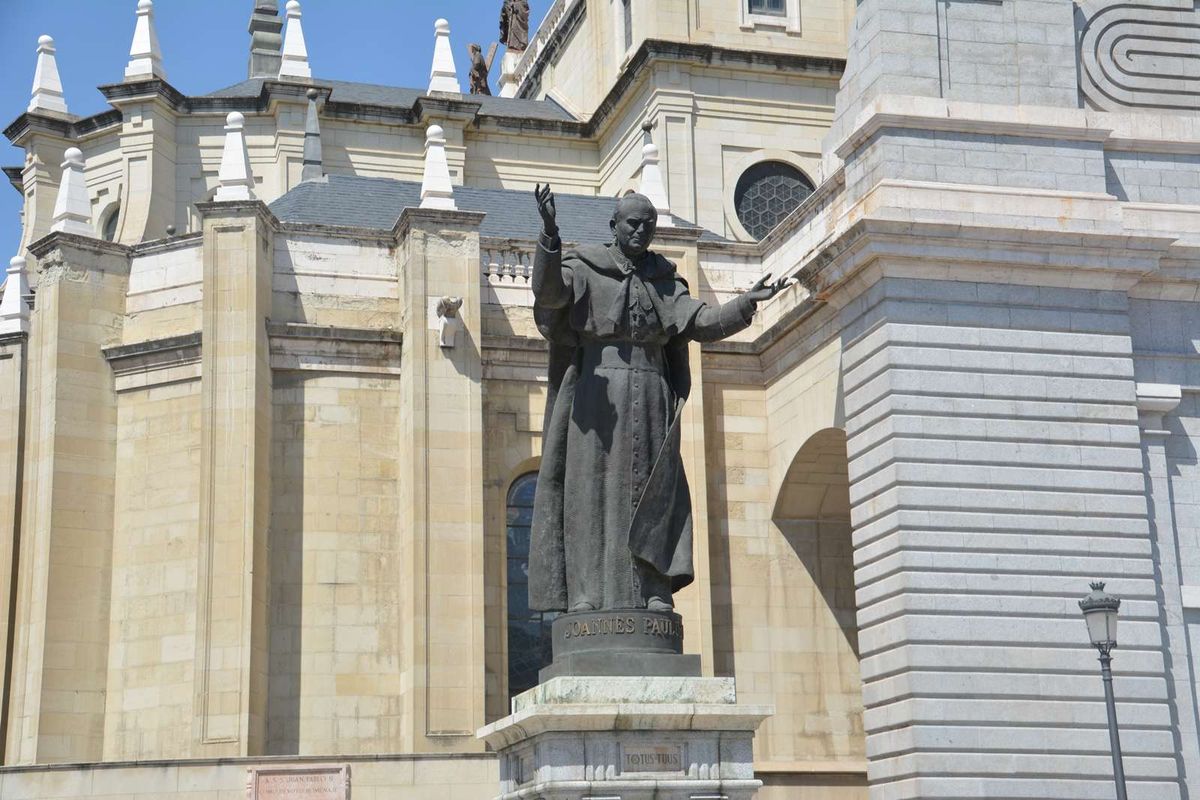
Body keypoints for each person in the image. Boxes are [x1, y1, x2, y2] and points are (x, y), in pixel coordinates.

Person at [528, 184, 790, 614]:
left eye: (648, 226)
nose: (640, 231)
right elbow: (551, 295)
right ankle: (585, 595)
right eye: (633, 224)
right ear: (614, 225)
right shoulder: (586, 265)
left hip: (651, 394)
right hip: (597, 393)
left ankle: (653, 587)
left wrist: (745, 304)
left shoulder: (664, 279)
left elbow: (701, 321)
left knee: (653, 491)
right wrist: (549, 235)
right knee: (589, 492)